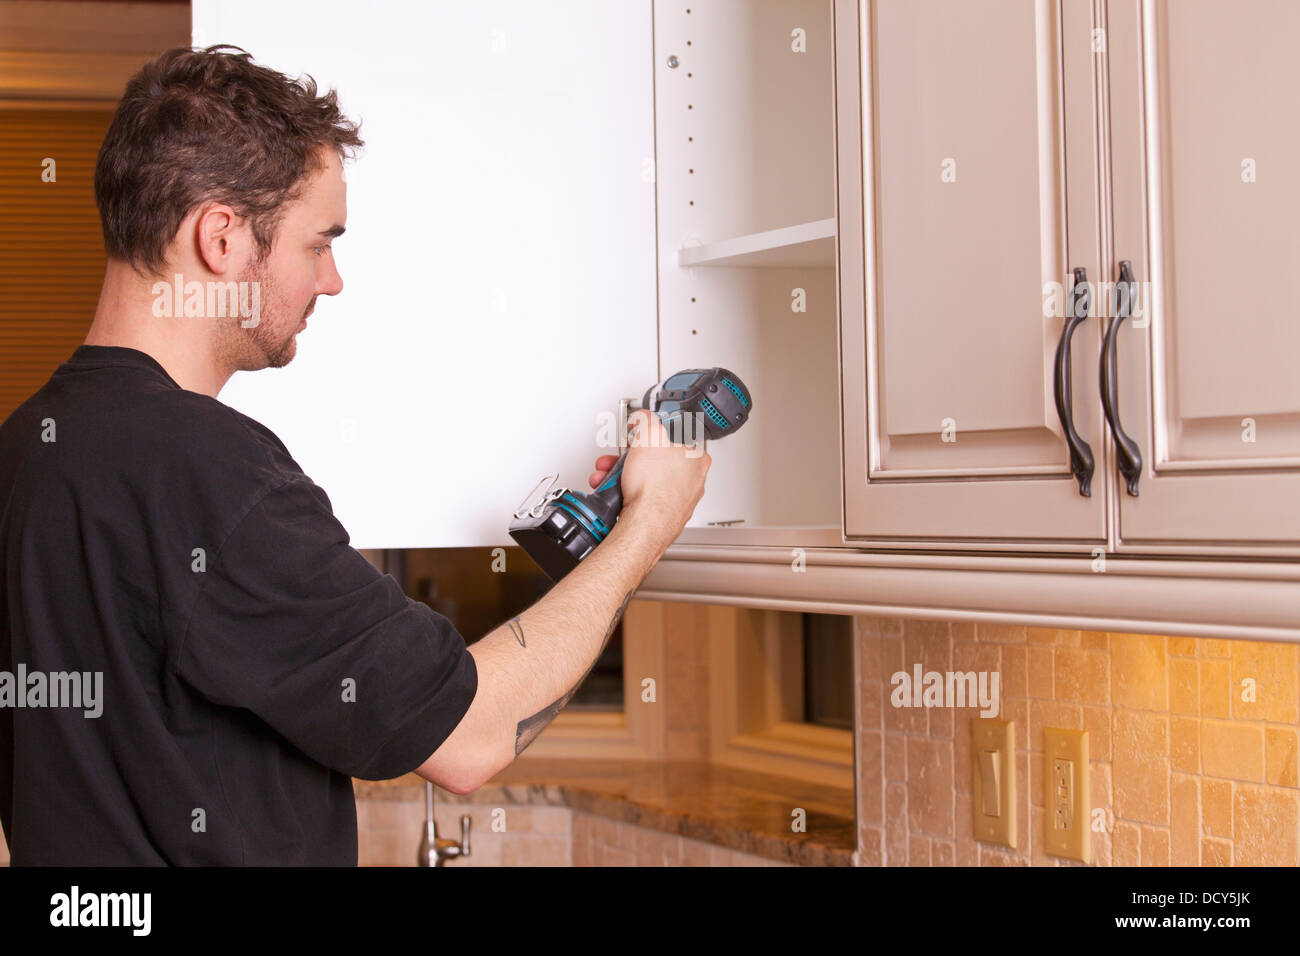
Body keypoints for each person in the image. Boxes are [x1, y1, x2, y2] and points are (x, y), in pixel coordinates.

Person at [0, 45, 709, 865]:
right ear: (222, 238)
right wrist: (647, 527)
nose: (331, 280)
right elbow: (468, 739)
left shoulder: (27, 448)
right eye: (317, 242)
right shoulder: (207, 468)